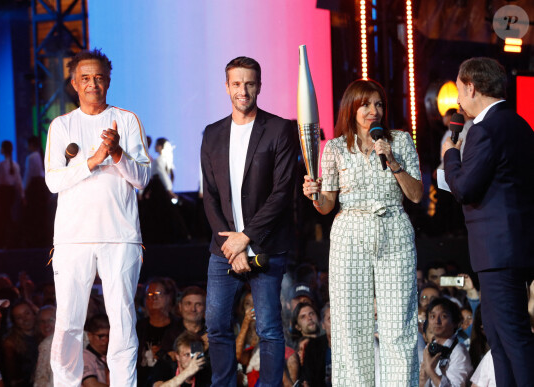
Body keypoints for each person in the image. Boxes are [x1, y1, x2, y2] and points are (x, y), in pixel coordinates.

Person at [303, 78, 423, 386]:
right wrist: (314, 194)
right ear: (351, 107)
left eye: (379, 104)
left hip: (394, 229)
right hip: (349, 234)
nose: (374, 110)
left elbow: (416, 195)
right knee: (350, 327)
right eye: (366, 104)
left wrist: (392, 160)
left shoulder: (400, 140)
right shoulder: (335, 148)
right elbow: (327, 204)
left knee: (398, 325)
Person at [44, 48, 151, 386]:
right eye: (86, 78)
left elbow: (143, 178)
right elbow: (53, 180)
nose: (93, 84)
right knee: (69, 323)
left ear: (108, 81)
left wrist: (117, 153)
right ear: (74, 83)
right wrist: (93, 159)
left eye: (99, 78)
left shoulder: (127, 120)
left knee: (122, 320)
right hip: (73, 238)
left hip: (120, 236)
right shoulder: (62, 125)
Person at [200, 56, 297, 386]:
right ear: (227, 86)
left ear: (259, 85)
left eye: (250, 83)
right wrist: (233, 243)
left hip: (267, 243)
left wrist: (248, 237)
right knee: (215, 323)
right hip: (224, 248)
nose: (243, 90)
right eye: (237, 83)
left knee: (269, 327)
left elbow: (283, 192)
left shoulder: (280, 129)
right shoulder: (212, 134)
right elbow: (209, 196)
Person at [442, 57, 534, 387]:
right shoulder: (520, 124)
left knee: (512, 337)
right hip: (512, 246)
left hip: (499, 251)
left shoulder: (484, 129)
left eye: (459, 89)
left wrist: (450, 154)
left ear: (471, 86)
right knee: (498, 336)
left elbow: (465, 187)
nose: (457, 100)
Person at [419, 298, 472, 386]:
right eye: (432, 316)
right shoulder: (429, 348)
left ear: (455, 322)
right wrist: (422, 379)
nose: (437, 321)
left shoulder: (458, 352)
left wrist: (430, 371)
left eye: (443, 316)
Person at [2, 300, 39, 387]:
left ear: (34, 313)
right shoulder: (10, 344)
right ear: (14, 322)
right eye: (19, 317)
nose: (25, 319)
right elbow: (12, 377)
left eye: (27, 313)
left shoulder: (43, 334)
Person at [82, 314, 110, 387]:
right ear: (90, 336)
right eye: (101, 336)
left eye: (109, 336)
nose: (106, 340)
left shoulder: (110, 355)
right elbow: (91, 384)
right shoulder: (85, 357)